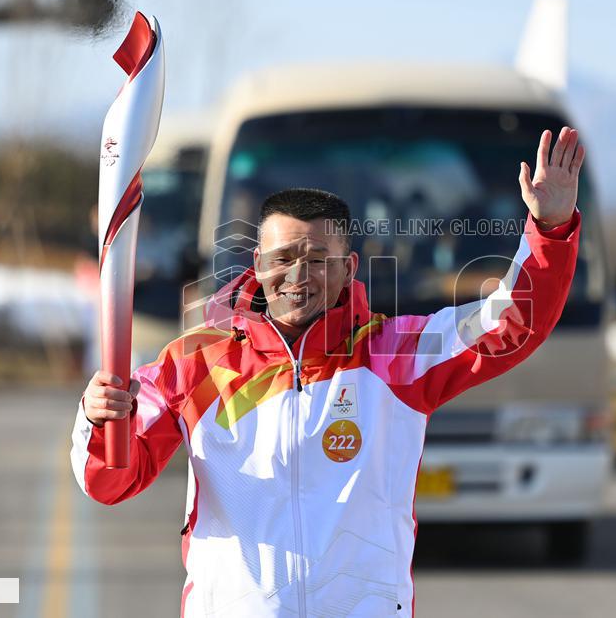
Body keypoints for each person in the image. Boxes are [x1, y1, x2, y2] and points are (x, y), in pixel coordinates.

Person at [72, 128, 586, 616]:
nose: (297, 275)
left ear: (348, 268)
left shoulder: (395, 353)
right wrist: (100, 423)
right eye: (281, 258)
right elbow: (113, 481)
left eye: (318, 258)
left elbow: (511, 322)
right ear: (257, 262)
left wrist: (550, 231)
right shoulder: (195, 363)